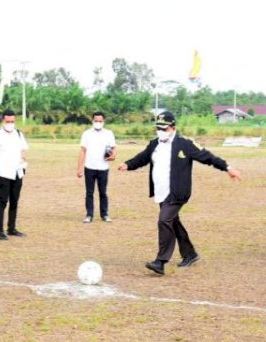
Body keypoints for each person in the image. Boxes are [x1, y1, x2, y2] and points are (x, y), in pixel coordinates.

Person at [118, 111, 241, 275]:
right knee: (173, 222)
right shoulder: (154, 144)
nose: (160, 131)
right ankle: (190, 254)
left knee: (164, 220)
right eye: (158, 128)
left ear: (173, 127)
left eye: (164, 128)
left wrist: (228, 168)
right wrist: (128, 164)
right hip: (161, 191)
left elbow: (208, 157)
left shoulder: (185, 144)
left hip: (177, 192)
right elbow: (142, 158)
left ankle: (160, 261)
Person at [0, 109, 29, 240]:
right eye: (8, 121)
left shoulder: (18, 134)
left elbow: (23, 149)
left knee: (15, 201)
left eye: (12, 121)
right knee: (3, 201)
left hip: (17, 173)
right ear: (2, 121)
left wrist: (23, 160)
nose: (10, 124)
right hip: (3, 173)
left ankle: (11, 228)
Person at [77, 111, 117, 223]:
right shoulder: (87, 134)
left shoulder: (109, 133)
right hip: (89, 167)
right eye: (96, 121)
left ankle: (104, 214)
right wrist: (79, 168)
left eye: (100, 121)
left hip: (103, 167)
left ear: (104, 121)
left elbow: (113, 148)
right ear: (92, 121)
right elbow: (82, 151)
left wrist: (113, 156)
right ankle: (89, 215)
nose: (98, 123)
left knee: (103, 192)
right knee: (89, 192)